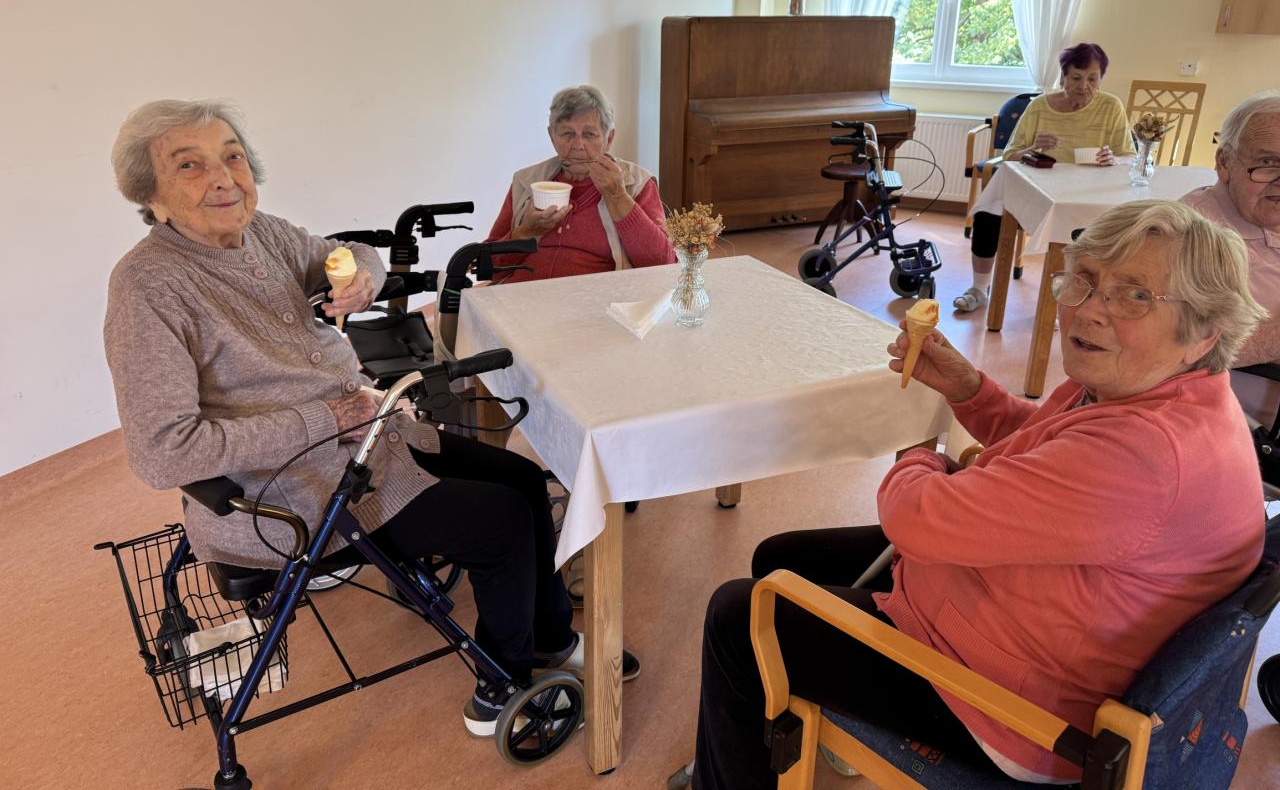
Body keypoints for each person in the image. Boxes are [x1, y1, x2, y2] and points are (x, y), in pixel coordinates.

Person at [103, 99, 637, 739]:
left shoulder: (262, 233)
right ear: (150, 194)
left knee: (523, 481)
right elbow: (161, 451)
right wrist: (324, 417)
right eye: (189, 165)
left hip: (367, 442)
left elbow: (347, 253)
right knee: (500, 524)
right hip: (288, 492)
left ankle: (551, 638)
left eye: (232, 157)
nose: (223, 179)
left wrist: (363, 273)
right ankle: (502, 687)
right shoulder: (148, 287)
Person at [686, 199, 1264, 789]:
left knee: (740, 616)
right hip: (1033, 621)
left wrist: (922, 452)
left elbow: (913, 517)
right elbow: (1050, 449)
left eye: (1135, 295)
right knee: (782, 557)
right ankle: (791, 724)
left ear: (1204, 331)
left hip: (1017, 709)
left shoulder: (1145, 456)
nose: (1090, 310)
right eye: (1086, 281)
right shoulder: (1168, 393)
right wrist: (970, 391)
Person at [954, 42, 1131, 313]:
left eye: (1092, 79)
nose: (1084, 86)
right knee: (988, 214)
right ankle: (979, 288)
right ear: (1062, 77)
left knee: (1088, 234)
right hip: (1036, 188)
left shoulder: (1111, 106)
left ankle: (1069, 300)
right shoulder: (1039, 107)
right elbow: (1009, 155)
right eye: (1076, 77)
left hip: (1086, 193)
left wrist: (1114, 159)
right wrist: (1033, 148)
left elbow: (1129, 156)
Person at [485, 85, 675, 281]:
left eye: (589, 134)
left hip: (596, 296)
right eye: (567, 134)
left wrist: (618, 196)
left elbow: (663, 263)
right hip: (519, 294)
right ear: (552, 136)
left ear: (609, 139)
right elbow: (487, 267)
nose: (577, 145)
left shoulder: (636, 182)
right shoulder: (527, 181)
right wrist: (526, 232)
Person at [1182, 91, 1280, 424]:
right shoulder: (1189, 236)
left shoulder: (1264, 212)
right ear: (1224, 163)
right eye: (1268, 163)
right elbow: (1169, 350)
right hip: (1240, 423)